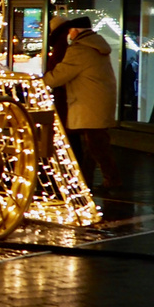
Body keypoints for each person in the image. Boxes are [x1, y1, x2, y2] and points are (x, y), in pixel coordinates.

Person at [43, 18, 121, 190]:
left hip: (89, 104)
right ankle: (86, 181)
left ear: (76, 31)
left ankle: (112, 180)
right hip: (98, 101)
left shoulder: (79, 50)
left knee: (96, 145)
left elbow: (58, 76)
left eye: (70, 31)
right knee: (93, 145)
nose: (69, 35)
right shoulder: (96, 46)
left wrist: (44, 79)